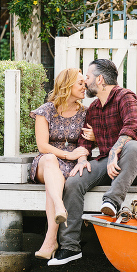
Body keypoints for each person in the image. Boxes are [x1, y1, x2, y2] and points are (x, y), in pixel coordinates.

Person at [50, 59, 137, 266]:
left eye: (87, 77)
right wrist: (81, 159)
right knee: (74, 181)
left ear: (99, 79)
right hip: (107, 162)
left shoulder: (125, 97)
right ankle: (70, 247)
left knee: (133, 147)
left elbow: (133, 125)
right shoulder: (94, 108)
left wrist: (116, 151)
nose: (85, 82)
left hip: (132, 165)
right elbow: (83, 140)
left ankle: (112, 202)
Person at [31, 68, 91, 260]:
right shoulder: (45, 110)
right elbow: (42, 146)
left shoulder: (85, 113)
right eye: (80, 83)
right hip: (47, 161)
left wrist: (89, 145)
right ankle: (59, 206)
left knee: (53, 185)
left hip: (68, 166)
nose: (85, 86)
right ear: (67, 85)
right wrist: (68, 155)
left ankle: (50, 241)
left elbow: (85, 145)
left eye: (85, 82)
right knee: (49, 160)